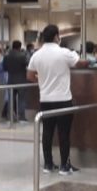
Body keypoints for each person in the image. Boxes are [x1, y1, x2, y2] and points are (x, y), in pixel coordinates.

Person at [27, 24, 89, 175]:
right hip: (63, 100)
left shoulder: (37, 55)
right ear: (56, 36)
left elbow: (29, 76)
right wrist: (88, 60)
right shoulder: (64, 53)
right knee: (64, 133)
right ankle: (64, 166)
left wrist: (42, 82)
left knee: (47, 132)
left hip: (45, 100)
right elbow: (80, 63)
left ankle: (48, 164)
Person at [2, 40, 29, 122]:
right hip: (21, 80)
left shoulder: (6, 56)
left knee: (11, 99)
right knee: (22, 99)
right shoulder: (23, 56)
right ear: (20, 47)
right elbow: (28, 65)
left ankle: (10, 116)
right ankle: (21, 117)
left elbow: (4, 68)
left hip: (11, 80)